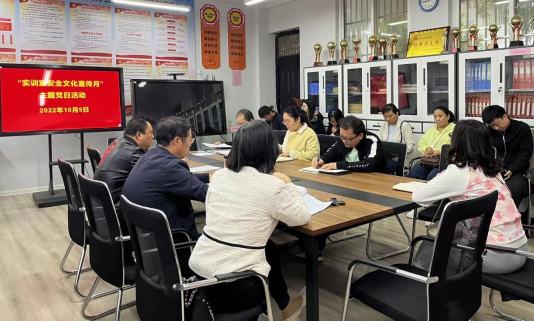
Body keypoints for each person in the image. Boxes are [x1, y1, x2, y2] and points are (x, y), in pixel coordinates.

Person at [189, 121, 309, 320]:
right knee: (264, 248)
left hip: (200, 273)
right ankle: (282, 306)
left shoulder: (218, 176)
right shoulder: (272, 186)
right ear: (270, 151)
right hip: (235, 285)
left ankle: (286, 306)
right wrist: (288, 183)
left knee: (267, 247)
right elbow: (301, 216)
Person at [413, 120, 528, 275]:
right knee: (448, 231)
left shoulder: (460, 172)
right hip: (520, 250)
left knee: (433, 240)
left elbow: (419, 197)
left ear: (457, 142)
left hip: (495, 256)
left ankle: (420, 280)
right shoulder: (492, 169)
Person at [122, 117, 209, 240]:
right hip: (176, 240)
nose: (190, 144)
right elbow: (207, 194)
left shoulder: (150, 155)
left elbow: (181, 179)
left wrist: (207, 177)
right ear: (177, 141)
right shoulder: (171, 166)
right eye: (190, 139)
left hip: (149, 240)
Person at [482, 105, 534, 208]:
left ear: (505, 116)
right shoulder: (489, 131)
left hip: (516, 171)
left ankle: (510, 214)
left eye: (497, 124)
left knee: (514, 189)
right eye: (492, 126)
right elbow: (485, 151)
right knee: (482, 188)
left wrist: (512, 169)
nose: (496, 128)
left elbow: (525, 153)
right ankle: (489, 215)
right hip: (494, 169)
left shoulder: (522, 128)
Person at [94, 117, 154, 202]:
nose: (153, 136)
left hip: (101, 197)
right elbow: (151, 178)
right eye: (151, 133)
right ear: (139, 135)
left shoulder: (118, 141)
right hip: (114, 203)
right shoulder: (134, 152)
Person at [312, 115, 388, 173]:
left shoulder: (372, 140)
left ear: (360, 136)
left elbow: (369, 164)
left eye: (347, 139)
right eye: (341, 137)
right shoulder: (343, 139)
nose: (344, 141)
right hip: (349, 177)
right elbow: (330, 153)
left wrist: (338, 165)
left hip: (374, 180)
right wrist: (321, 159)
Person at [408, 106, 456, 181]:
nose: (437, 119)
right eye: (435, 117)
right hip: (429, 161)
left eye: (440, 116)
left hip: (445, 162)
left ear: (448, 116)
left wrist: (440, 152)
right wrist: (426, 149)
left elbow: (457, 148)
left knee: (432, 177)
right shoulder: (431, 130)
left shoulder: (455, 130)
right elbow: (422, 143)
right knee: (414, 174)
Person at [379, 103, 416, 174]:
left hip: (400, 158)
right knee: (374, 164)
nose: (388, 119)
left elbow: (410, 145)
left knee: (384, 167)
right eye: (385, 116)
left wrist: (399, 152)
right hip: (386, 156)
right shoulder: (383, 125)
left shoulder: (404, 125)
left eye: (390, 116)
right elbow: (379, 142)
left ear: (396, 114)